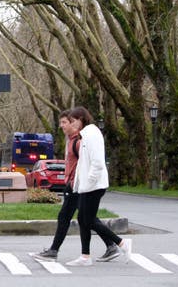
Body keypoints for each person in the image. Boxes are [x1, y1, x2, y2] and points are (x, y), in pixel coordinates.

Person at [31, 110, 120, 262]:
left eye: (66, 122)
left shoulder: (79, 142)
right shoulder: (72, 140)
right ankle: (110, 245)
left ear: (76, 123)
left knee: (70, 217)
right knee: (86, 218)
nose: (63, 126)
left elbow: (89, 162)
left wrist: (84, 181)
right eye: (62, 123)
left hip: (78, 186)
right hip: (74, 185)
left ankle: (55, 250)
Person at [66, 106, 132, 267]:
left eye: (73, 121)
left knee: (88, 220)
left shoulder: (92, 133)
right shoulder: (85, 134)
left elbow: (97, 163)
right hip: (87, 186)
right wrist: (79, 185)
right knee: (83, 219)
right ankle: (85, 256)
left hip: (94, 186)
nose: (71, 124)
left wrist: (88, 183)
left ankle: (121, 243)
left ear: (82, 119)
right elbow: (83, 163)